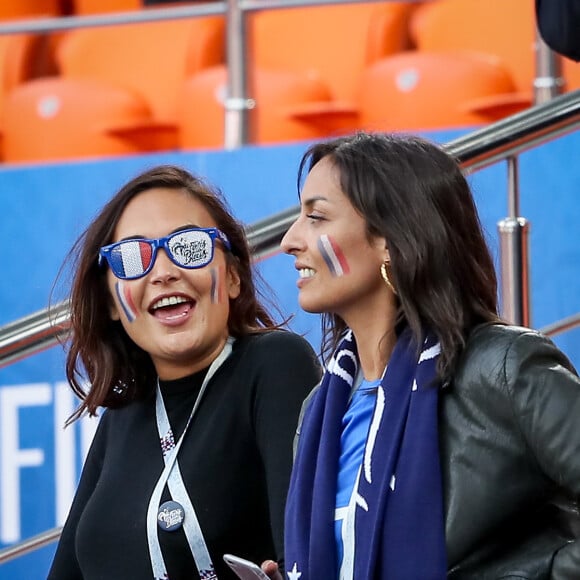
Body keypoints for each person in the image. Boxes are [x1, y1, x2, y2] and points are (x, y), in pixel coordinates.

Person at [261, 132, 580, 579]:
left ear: (389, 240)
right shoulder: (317, 411)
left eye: (316, 217)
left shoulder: (506, 369)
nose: (290, 241)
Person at [48, 165, 321, 580]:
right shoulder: (124, 414)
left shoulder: (275, 364)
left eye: (189, 247)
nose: (162, 272)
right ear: (109, 302)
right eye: (132, 257)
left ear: (232, 276)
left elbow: (303, 562)